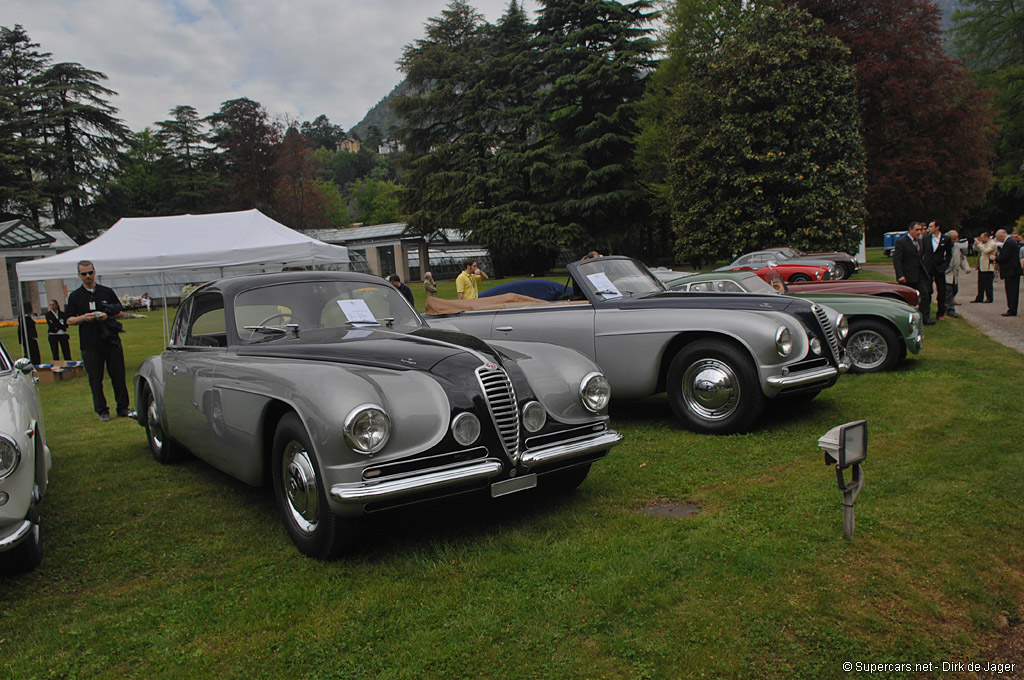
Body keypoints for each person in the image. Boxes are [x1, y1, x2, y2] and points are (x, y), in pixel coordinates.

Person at [65, 260, 133, 422]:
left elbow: (120, 312)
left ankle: (123, 407)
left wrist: (106, 315)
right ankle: (102, 410)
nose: (88, 276)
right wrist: (83, 318)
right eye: (84, 274)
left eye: (90, 272)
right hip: (90, 344)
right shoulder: (75, 296)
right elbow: (69, 320)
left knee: (118, 375)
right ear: (79, 275)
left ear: (95, 272)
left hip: (111, 340)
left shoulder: (106, 292)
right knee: (95, 379)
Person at [893, 222, 935, 325]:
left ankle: (925, 318)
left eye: (920, 230)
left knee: (925, 294)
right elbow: (897, 260)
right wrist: (900, 275)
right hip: (907, 275)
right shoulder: (901, 242)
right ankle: (906, 319)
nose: (919, 232)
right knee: (907, 297)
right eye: (917, 230)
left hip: (920, 273)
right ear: (910, 230)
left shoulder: (920, 242)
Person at [922, 221, 952, 320]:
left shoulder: (946, 239)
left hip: (939, 268)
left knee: (941, 291)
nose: (928, 229)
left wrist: (945, 265)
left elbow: (948, 254)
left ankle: (940, 313)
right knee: (927, 290)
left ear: (937, 227)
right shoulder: (926, 238)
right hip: (928, 268)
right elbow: (922, 253)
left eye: (931, 226)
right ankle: (926, 313)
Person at [994, 229, 1022, 316]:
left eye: (998, 238)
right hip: (1013, 270)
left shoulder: (1009, 243)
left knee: (1011, 291)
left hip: (1011, 271)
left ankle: (1012, 309)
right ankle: (1012, 308)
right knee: (1012, 290)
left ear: (1001, 236)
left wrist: (995, 258)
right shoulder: (1011, 242)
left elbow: (1005, 256)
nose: (999, 240)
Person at [944, 230, 969, 318]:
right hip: (947, 272)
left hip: (955, 272)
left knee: (955, 289)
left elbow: (962, 258)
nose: (955, 240)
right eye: (953, 239)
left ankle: (944, 304)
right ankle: (950, 310)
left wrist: (966, 268)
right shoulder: (943, 245)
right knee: (948, 291)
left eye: (956, 239)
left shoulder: (957, 246)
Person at [972, 231, 997, 303]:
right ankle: (979, 297)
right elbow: (978, 249)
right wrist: (976, 243)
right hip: (982, 266)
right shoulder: (984, 244)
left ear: (986, 237)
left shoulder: (992, 244)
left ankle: (989, 297)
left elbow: (986, 251)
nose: (981, 240)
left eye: (982, 238)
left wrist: (980, 244)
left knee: (988, 283)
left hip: (988, 266)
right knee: (980, 283)